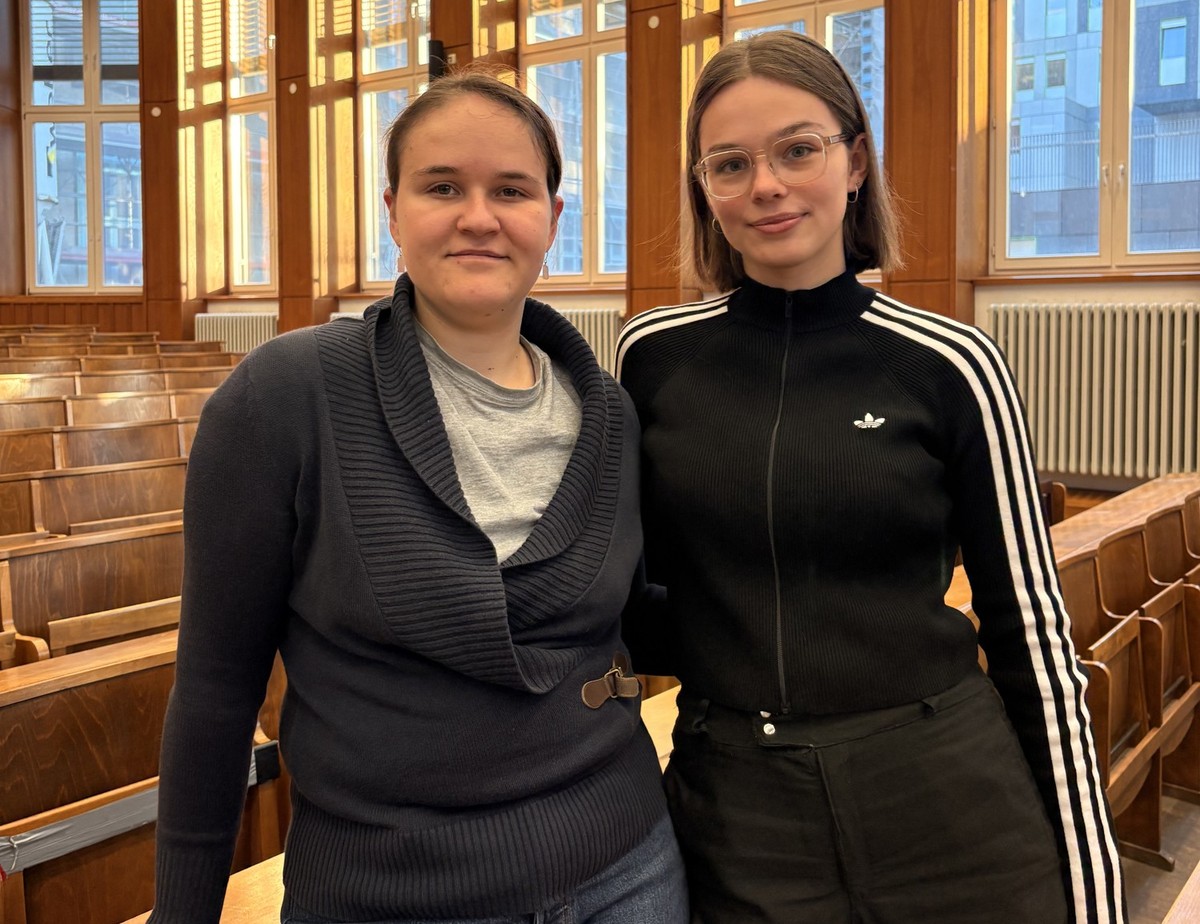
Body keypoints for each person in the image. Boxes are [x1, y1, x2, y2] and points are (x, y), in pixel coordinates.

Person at [148, 70, 686, 924]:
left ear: (552, 217)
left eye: (511, 190)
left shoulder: (610, 414)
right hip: (387, 893)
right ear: (393, 212)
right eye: (444, 187)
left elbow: (639, 623)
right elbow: (216, 690)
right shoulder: (286, 395)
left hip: (627, 869)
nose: (479, 216)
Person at [616, 31, 1125, 924]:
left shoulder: (951, 362)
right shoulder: (649, 359)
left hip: (942, 794)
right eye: (729, 164)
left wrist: (1095, 891)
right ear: (704, 188)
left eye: (797, 149)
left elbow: (1033, 637)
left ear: (854, 162)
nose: (765, 185)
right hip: (739, 809)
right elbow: (627, 596)